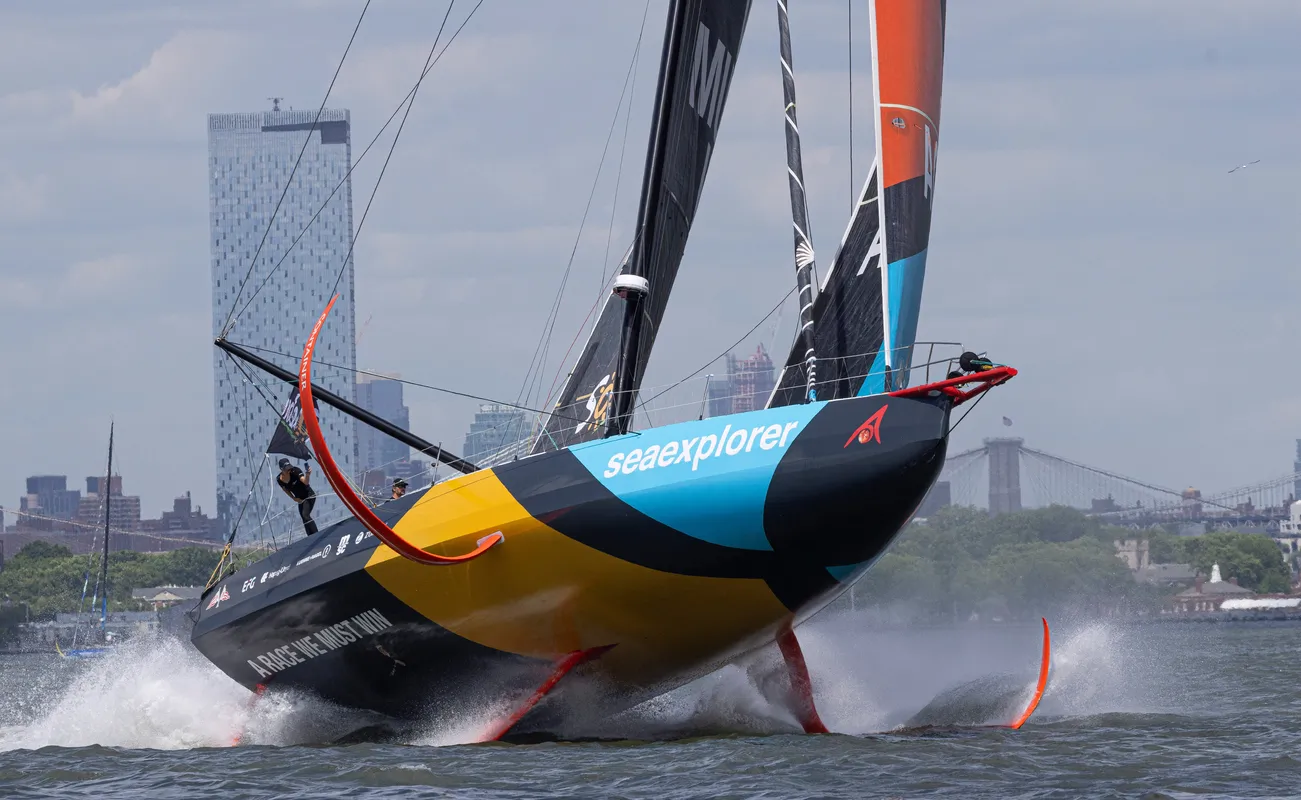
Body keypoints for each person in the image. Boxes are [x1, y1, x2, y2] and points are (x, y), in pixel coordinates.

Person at [277, 458, 318, 536]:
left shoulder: (295, 471)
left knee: (305, 515)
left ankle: (316, 535)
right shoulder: (279, 479)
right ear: (281, 469)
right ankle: (310, 537)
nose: (289, 470)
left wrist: (308, 475)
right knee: (304, 519)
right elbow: (285, 490)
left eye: (289, 468)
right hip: (300, 499)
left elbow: (305, 482)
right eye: (286, 469)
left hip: (309, 495)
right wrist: (293, 498)